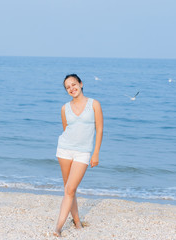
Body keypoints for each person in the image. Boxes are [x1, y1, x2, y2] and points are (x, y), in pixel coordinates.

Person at [54, 74, 103, 237]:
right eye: (68, 87)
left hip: (83, 152)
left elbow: (100, 129)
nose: (71, 88)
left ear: (81, 84)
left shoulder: (94, 104)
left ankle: (57, 229)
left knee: (70, 189)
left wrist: (95, 153)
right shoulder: (64, 108)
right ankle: (76, 223)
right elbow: (66, 129)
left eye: (74, 84)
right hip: (64, 150)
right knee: (69, 189)